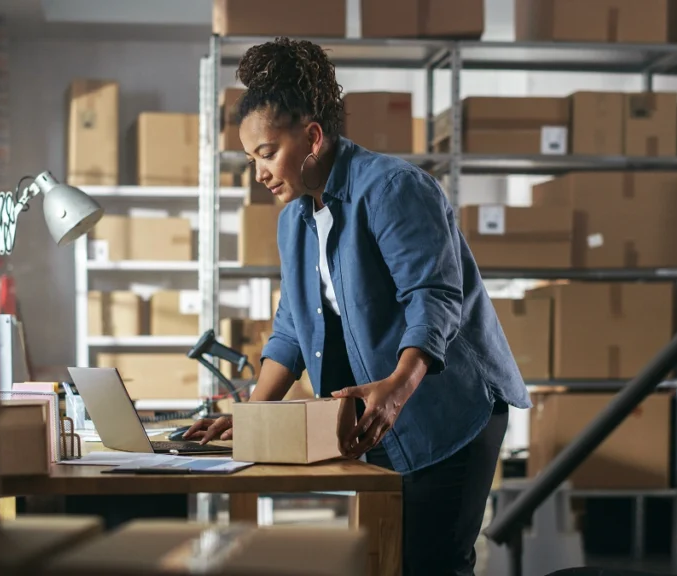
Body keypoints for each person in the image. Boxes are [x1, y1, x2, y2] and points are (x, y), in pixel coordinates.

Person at [184, 37, 531, 575]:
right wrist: (249, 415)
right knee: (383, 562)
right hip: (380, 417)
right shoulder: (294, 221)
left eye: (267, 153)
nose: (259, 172)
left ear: (313, 137)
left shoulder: (393, 188)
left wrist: (395, 390)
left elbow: (435, 298)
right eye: (251, 158)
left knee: (430, 564)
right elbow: (292, 329)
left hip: (445, 410)